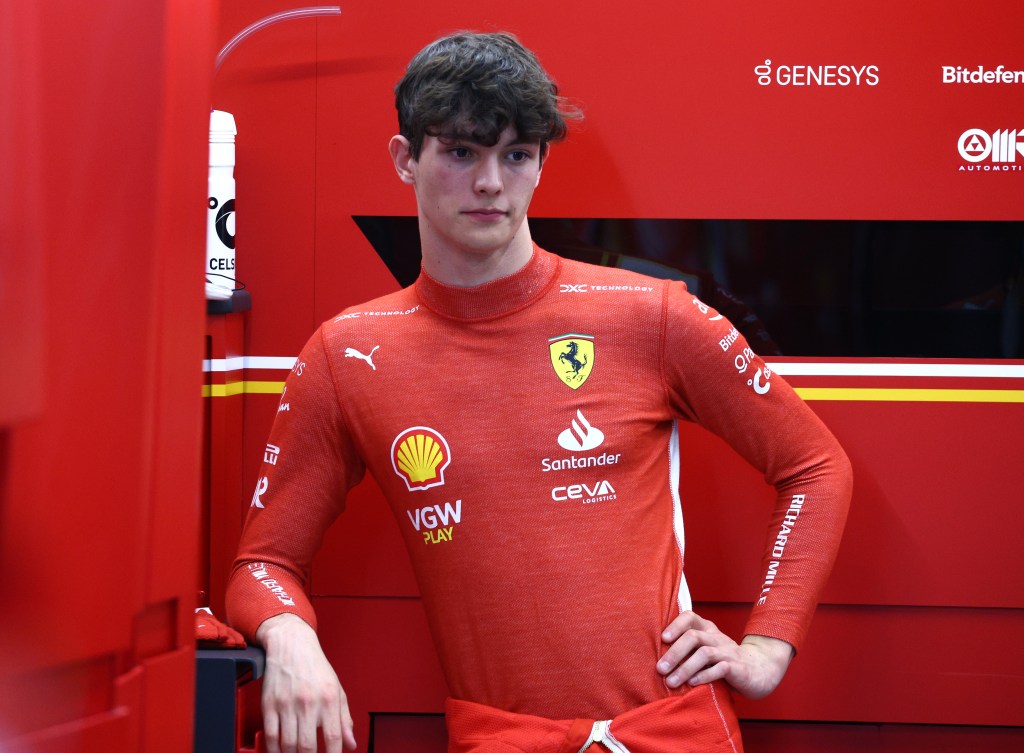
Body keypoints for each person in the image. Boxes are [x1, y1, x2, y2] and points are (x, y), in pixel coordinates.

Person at [226, 31, 852, 753]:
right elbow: (261, 564)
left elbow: (815, 466)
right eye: (461, 152)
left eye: (516, 154)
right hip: (503, 738)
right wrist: (291, 637)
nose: (491, 181)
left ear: (540, 164)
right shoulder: (348, 354)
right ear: (406, 160)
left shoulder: (652, 314)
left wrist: (767, 647)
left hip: (672, 732)